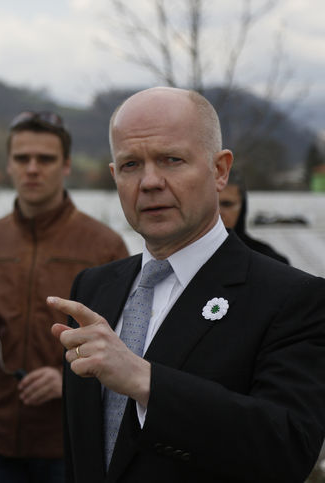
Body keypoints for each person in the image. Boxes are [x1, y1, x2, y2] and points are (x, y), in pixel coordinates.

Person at [49, 87, 325, 482]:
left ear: (220, 170)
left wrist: (147, 383)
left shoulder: (290, 298)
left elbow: (288, 449)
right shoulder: (93, 288)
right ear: (114, 177)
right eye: (130, 165)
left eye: (171, 160)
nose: (149, 182)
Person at [0, 111, 129, 482]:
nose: (32, 169)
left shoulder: (104, 246)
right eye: (22, 158)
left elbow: (129, 346)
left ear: (66, 165)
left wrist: (67, 379)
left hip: (69, 444)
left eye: (45, 159)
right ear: (8, 164)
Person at [219, 169, 289, 264]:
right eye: (209, 205)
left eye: (226, 204)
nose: (217, 212)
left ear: (242, 207)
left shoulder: (269, 261)